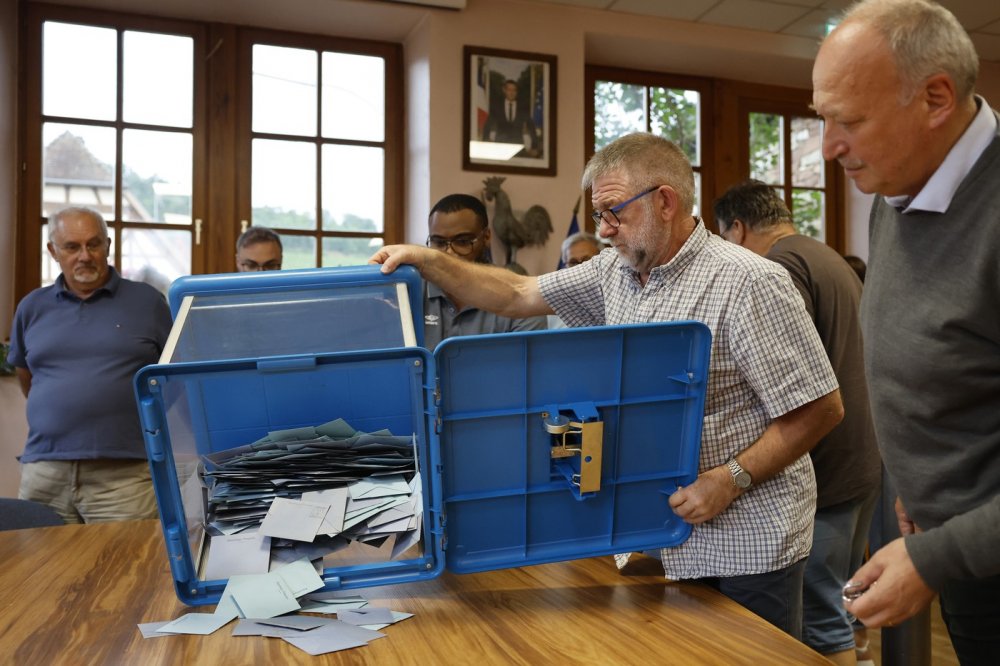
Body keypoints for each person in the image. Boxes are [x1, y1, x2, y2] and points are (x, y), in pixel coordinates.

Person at [373, 133, 844, 637]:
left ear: (665, 201)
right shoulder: (615, 271)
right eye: (599, 216)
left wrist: (730, 480)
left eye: (613, 212)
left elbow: (819, 409)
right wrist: (429, 261)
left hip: (747, 541)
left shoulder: (751, 282)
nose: (604, 231)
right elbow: (515, 293)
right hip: (660, 536)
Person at [813, 0, 1000, 660]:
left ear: (937, 98)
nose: (829, 146)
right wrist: (921, 491)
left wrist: (938, 554)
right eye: (822, 119)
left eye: (849, 121)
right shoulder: (899, 186)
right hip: (961, 547)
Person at [715, 179, 881, 665]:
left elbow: (783, 380)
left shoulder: (778, 268)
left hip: (825, 470)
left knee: (823, 621)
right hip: (860, 463)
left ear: (738, 230)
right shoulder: (825, 256)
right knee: (842, 611)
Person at [7, 206, 173, 523]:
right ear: (53, 251)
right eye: (72, 246)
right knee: (40, 570)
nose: (85, 255)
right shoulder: (32, 307)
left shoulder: (148, 302)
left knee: (125, 569)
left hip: (124, 475)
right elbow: (27, 379)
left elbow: (171, 379)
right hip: (45, 471)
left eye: (94, 244)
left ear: (108, 246)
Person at [423, 193, 546, 349]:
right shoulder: (410, 291)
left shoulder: (522, 298)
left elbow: (527, 369)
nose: (449, 254)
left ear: (486, 237)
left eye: (462, 241)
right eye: (439, 242)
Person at [549, 232, 605, 329]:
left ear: (602, 262)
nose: (579, 268)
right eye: (573, 262)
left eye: (587, 261)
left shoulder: (613, 295)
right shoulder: (554, 302)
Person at [482, 79, 540, 157]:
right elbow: (487, 126)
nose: (512, 93)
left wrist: (534, 146)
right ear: (504, 90)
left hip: (519, 149)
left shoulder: (523, 108)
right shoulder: (496, 108)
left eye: (514, 90)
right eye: (509, 90)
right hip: (499, 148)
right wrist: (486, 142)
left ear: (517, 92)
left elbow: (531, 127)